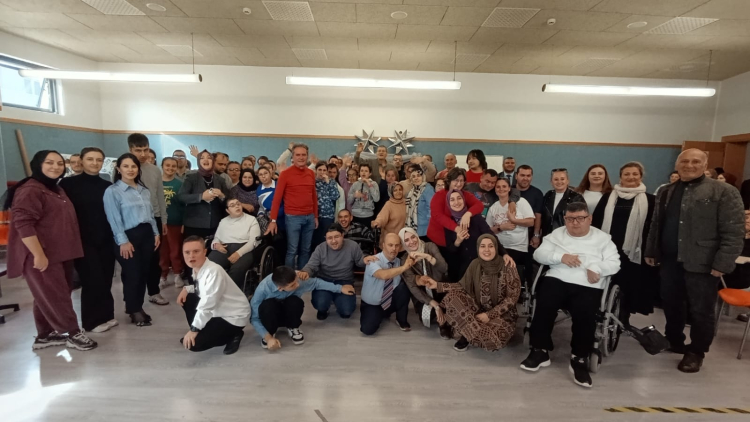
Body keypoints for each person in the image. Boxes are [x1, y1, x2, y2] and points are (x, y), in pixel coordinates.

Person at [645, 148, 744, 373]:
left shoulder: (723, 191)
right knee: (671, 303)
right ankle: (674, 340)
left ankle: (697, 351)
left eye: (696, 161)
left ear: (705, 165)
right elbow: (657, 224)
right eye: (685, 161)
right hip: (670, 260)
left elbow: (733, 231)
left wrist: (722, 263)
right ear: (677, 165)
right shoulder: (667, 191)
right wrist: (652, 250)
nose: (689, 165)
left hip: (704, 262)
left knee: (701, 309)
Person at [521, 202, 620, 388]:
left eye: (580, 218)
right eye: (570, 219)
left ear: (589, 219)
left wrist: (597, 267)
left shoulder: (603, 239)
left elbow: (615, 263)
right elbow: (539, 255)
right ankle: (540, 351)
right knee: (544, 303)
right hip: (558, 278)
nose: (575, 223)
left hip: (588, 283)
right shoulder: (556, 235)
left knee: (585, 313)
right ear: (565, 219)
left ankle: (579, 358)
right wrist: (560, 257)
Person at [6, 150, 97, 351]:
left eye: (59, 163)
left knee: (48, 294)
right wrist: (38, 254)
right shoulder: (30, 189)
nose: (55, 167)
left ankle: (45, 335)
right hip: (43, 254)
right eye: (49, 162)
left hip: (60, 252)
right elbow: (23, 224)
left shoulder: (53, 188)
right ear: (38, 164)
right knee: (57, 296)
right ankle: (72, 333)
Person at [421, 234, 521, 352]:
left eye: (491, 246)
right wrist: (437, 285)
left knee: (496, 339)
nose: (487, 250)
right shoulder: (475, 264)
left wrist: (489, 315)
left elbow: (512, 298)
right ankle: (471, 333)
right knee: (452, 297)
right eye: (483, 246)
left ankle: (465, 332)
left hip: (501, 316)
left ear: (496, 248)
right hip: (477, 309)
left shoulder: (508, 266)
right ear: (478, 248)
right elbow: (462, 286)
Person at [58, 148, 117, 333]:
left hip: (106, 238)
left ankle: (106, 315)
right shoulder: (68, 184)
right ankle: (91, 322)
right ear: (81, 161)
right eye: (90, 159)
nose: (94, 163)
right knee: (92, 280)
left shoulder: (107, 185)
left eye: (98, 160)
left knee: (106, 277)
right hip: (83, 240)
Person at [592, 162, 655, 327]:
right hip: (608, 248)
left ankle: (623, 318)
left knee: (628, 286)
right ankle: (601, 315)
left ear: (641, 176)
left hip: (634, 251)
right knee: (605, 282)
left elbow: (654, 228)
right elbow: (596, 222)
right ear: (620, 177)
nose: (631, 177)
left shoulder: (650, 200)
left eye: (635, 174)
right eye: (627, 174)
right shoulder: (608, 197)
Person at [103, 153, 161, 327]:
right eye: (126, 166)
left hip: (147, 234)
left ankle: (137, 306)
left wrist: (156, 233)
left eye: (133, 166)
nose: (130, 169)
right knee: (132, 273)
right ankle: (133, 309)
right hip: (127, 236)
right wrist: (123, 241)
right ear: (118, 169)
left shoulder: (143, 190)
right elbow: (114, 219)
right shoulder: (113, 191)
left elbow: (151, 215)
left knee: (143, 273)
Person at [251, 266, 355, 350]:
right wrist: (267, 337)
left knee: (295, 301)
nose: (297, 285)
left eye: (297, 281)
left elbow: (316, 283)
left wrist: (340, 288)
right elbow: (254, 318)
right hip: (271, 314)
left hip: (289, 311)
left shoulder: (297, 278)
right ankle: (270, 332)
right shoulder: (263, 289)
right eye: (292, 285)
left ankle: (293, 327)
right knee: (267, 305)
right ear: (280, 288)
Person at [177, 236, 250, 354]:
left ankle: (235, 334)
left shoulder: (214, 271)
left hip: (233, 316)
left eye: (196, 251)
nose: (191, 256)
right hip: (218, 310)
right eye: (187, 252)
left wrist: (194, 330)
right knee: (188, 298)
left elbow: (208, 302)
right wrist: (187, 288)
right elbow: (202, 288)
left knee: (195, 345)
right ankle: (203, 331)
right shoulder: (197, 267)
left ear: (204, 252)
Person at [300, 223, 377, 320]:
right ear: (325, 238)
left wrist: (365, 259)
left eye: (336, 237)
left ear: (342, 235)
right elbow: (311, 265)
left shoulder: (352, 245)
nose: (333, 241)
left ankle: (338, 301)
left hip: (344, 280)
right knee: (320, 304)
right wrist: (305, 272)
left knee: (346, 311)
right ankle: (323, 309)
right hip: (324, 281)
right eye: (329, 238)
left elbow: (359, 261)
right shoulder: (320, 248)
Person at [127, 134, 169, 306]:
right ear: (130, 149)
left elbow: (160, 196)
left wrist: (163, 219)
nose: (143, 154)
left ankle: (154, 292)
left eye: (145, 150)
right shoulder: (124, 168)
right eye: (138, 150)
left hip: (154, 219)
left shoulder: (154, 170)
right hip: (132, 221)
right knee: (133, 262)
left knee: (153, 259)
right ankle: (132, 300)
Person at [266, 143, 318, 270]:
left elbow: (313, 196)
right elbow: (276, 199)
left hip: (310, 217)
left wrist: (315, 216)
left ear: (307, 156)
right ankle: (288, 277)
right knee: (292, 250)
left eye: (303, 155)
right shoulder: (285, 174)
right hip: (293, 218)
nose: (301, 157)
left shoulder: (311, 173)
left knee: (306, 249)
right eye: (298, 155)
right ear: (293, 157)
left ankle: (302, 276)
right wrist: (273, 221)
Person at [445, 189, 514, 279]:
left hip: (481, 266)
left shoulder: (476, 217)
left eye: (459, 198)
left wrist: (504, 254)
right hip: (461, 269)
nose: (456, 202)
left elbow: (491, 236)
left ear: (464, 200)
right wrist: (458, 241)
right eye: (452, 200)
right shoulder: (448, 222)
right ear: (448, 203)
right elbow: (450, 251)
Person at [399, 228, 452, 339]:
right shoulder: (404, 259)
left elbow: (444, 268)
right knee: (428, 316)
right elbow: (412, 286)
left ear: (417, 236)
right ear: (403, 244)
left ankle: (444, 324)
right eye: (406, 240)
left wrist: (427, 257)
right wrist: (435, 305)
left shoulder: (430, 246)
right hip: (423, 293)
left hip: (439, 286)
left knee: (452, 306)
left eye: (413, 237)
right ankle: (442, 316)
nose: (411, 241)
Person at [360, 233, 415, 335]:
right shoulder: (373, 260)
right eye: (390, 245)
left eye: (397, 245)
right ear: (383, 245)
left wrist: (421, 279)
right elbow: (383, 275)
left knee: (404, 287)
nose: (394, 249)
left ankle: (401, 319)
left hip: (389, 300)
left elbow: (411, 278)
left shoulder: (399, 261)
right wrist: (404, 268)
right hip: (372, 304)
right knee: (367, 330)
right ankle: (380, 315)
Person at [207, 198, 261, 289]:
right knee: (210, 263)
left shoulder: (251, 220)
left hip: (244, 249)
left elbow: (253, 241)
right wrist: (216, 245)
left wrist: (238, 253)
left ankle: (230, 292)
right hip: (224, 248)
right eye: (232, 205)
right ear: (227, 210)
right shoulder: (223, 221)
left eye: (238, 204)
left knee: (237, 269)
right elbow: (217, 238)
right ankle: (211, 289)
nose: (237, 206)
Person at [427, 168, 485, 251]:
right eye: (456, 180)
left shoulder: (465, 194)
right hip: (438, 237)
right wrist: (457, 228)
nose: (459, 184)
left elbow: (479, 205)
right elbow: (437, 215)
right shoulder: (439, 195)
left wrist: (468, 214)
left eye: (461, 181)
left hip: (457, 238)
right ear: (449, 181)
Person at [487, 178, 535, 277]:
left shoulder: (521, 202)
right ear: (495, 189)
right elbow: (488, 230)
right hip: (499, 247)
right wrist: (501, 227)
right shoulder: (493, 208)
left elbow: (531, 222)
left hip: (518, 248)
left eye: (504, 186)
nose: (501, 189)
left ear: (509, 188)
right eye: (498, 187)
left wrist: (514, 220)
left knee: (513, 276)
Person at [178, 150, 230, 240]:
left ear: (213, 161)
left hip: (215, 224)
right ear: (198, 161)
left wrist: (222, 196)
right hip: (194, 224)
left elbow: (228, 200)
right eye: (202, 158)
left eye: (209, 158)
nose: (206, 160)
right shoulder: (191, 178)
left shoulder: (220, 180)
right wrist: (201, 197)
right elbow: (181, 196)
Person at [159, 157, 185, 288]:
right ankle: (162, 275)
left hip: (176, 222)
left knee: (175, 250)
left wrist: (184, 222)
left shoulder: (180, 184)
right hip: (160, 223)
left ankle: (177, 274)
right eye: (167, 165)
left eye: (173, 166)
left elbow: (184, 205)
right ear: (162, 166)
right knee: (162, 251)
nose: (170, 168)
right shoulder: (156, 182)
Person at [541, 169, 584, 237]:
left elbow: (581, 220)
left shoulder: (576, 198)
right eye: (556, 179)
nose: (559, 182)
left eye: (562, 179)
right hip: (547, 235)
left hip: (567, 236)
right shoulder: (548, 195)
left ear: (567, 181)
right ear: (551, 182)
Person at [515, 165, 544, 250]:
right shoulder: (509, 190)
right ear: (516, 176)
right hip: (509, 234)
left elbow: (538, 215)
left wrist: (536, 235)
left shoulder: (537, 193)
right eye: (522, 175)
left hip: (529, 234)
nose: (525, 178)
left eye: (528, 176)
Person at [312, 162, 340, 250]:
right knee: (315, 240)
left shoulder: (331, 182)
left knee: (325, 239)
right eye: (320, 170)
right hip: (315, 215)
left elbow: (336, 196)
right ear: (316, 171)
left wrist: (328, 183)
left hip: (328, 216)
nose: (322, 172)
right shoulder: (313, 182)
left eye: (324, 170)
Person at [372, 183, 407, 248]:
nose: (398, 192)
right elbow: (382, 218)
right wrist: (377, 223)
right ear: (391, 192)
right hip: (391, 241)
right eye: (395, 190)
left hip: (404, 240)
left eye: (400, 189)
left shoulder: (406, 202)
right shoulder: (389, 204)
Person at [404, 165, 435, 238]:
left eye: (418, 175)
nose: (416, 178)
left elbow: (432, 209)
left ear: (423, 176)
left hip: (426, 229)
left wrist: (431, 225)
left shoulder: (428, 189)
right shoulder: (411, 192)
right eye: (413, 176)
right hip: (414, 229)